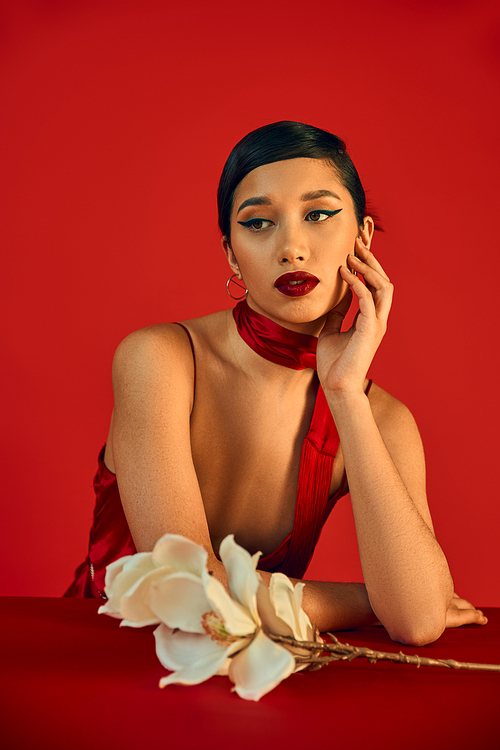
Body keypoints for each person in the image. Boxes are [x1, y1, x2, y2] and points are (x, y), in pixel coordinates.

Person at [65, 121, 486, 645]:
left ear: (363, 237)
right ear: (230, 253)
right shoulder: (161, 359)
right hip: (101, 659)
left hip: (256, 684)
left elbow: (419, 620)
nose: (291, 247)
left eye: (318, 215)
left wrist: (344, 394)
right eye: (259, 223)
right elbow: (186, 593)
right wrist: (368, 599)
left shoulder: (383, 419)